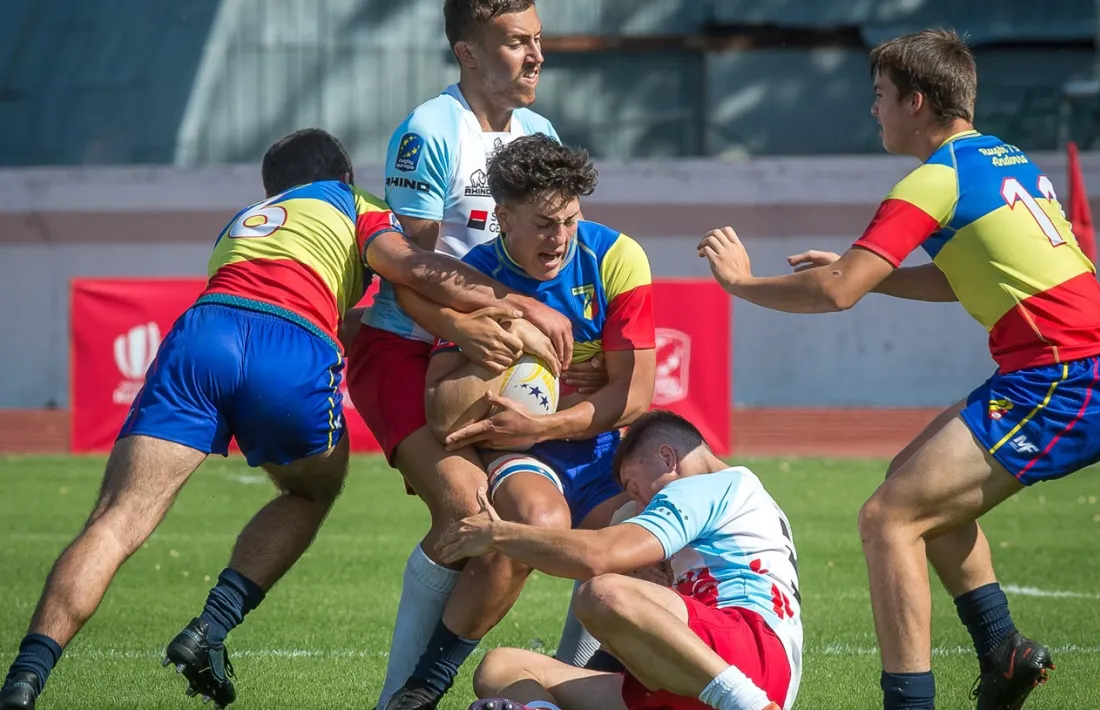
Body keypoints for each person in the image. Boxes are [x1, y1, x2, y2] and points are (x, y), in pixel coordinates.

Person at [0, 128, 586, 710]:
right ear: (344, 177)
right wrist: (519, 302)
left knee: (116, 518)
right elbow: (412, 268)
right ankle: (212, 626)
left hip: (203, 332)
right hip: (291, 339)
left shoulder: (246, 219)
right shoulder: (355, 205)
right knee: (311, 491)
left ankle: (25, 678)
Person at [698, 28, 1099, 710]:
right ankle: (1002, 651)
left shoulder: (931, 179)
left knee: (888, 518)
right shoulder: (1003, 158)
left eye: (879, 96)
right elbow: (966, 279)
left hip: (1064, 377)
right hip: (1063, 369)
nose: (874, 110)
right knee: (911, 493)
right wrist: (874, 277)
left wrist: (741, 284)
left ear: (916, 102)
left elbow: (833, 292)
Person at [343, 2, 605, 707]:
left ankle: (573, 685)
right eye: (517, 42)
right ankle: (404, 696)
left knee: (598, 511)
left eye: (538, 40)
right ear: (467, 53)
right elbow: (404, 270)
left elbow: (554, 253)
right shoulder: (430, 132)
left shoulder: (539, 133)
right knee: (470, 517)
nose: (536, 56)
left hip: (503, 354)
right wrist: (470, 327)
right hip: (406, 347)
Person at [382, 133, 657, 709]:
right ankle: (426, 686)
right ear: (502, 217)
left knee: (647, 541)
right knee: (534, 524)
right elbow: (445, 411)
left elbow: (633, 397)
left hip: (593, 446)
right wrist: (505, 345)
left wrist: (547, 422)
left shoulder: (617, 257)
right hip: (519, 452)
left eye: (570, 220)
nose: (560, 238)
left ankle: (572, 681)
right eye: (544, 223)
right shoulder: (472, 275)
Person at [438, 410, 802, 710]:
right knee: (501, 667)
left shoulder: (706, 485)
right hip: (696, 669)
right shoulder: (733, 497)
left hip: (750, 659)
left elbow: (599, 556)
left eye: (634, 485)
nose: (641, 505)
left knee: (602, 593)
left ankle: (749, 705)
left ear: (667, 457)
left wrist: (499, 534)